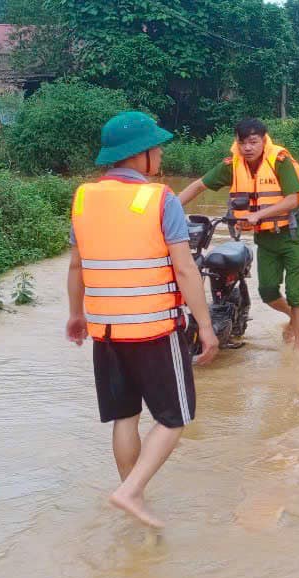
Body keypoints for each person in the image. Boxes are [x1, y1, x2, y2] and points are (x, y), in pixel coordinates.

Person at [66, 111, 219, 528]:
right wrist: (205, 326)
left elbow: (77, 267)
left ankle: (133, 499)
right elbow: (186, 269)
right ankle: (131, 491)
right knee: (176, 417)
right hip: (153, 329)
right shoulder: (160, 198)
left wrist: (75, 315)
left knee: (125, 417)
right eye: (157, 146)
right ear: (140, 155)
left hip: (106, 333)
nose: (162, 152)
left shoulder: (83, 198)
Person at [178, 119, 299, 350]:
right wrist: (167, 208)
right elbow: (199, 186)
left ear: (263, 140)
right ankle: (293, 317)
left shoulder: (280, 161)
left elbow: (292, 200)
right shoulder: (233, 165)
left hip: (292, 234)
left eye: (253, 142)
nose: (247, 148)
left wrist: (260, 214)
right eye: (242, 143)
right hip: (266, 238)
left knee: (295, 293)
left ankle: (297, 349)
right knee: (267, 291)